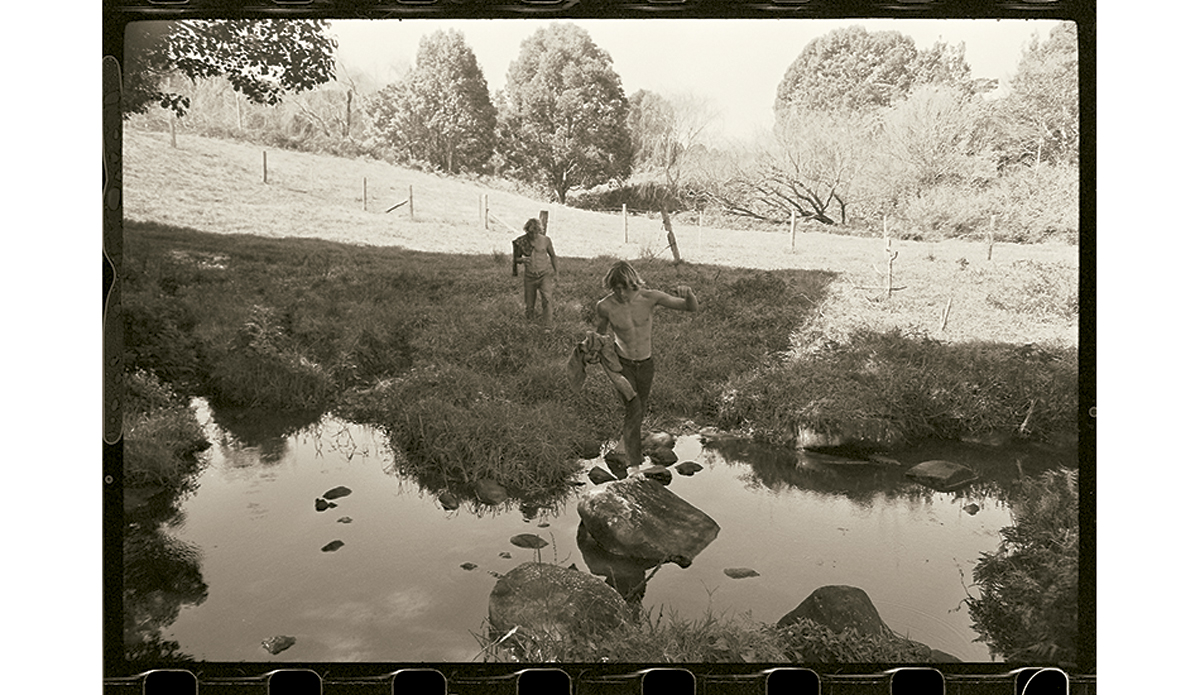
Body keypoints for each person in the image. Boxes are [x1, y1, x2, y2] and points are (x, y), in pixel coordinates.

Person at [593, 261, 698, 469]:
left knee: (639, 407)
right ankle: (633, 466)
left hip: (646, 364)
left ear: (633, 283)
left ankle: (624, 446)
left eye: (625, 287)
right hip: (622, 365)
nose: (621, 293)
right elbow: (601, 333)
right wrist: (593, 349)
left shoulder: (650, 298)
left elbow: (690, 308)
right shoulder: (604, 306)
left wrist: (689, 294)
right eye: (616, 288)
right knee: (633, 406)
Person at [512, 218, 558, 324]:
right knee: (529, 304)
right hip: (529, 276)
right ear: (527, 230)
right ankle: (529, 323)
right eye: (530, 232)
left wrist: (556, 273)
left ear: (539, 231)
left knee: (547, 299)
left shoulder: (546, 240)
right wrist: (522, 260)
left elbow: (553, 256)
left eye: (535, 232)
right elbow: (516, 259)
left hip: (544, 274)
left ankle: (548, 326)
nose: (533, 235)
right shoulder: (522, 241)